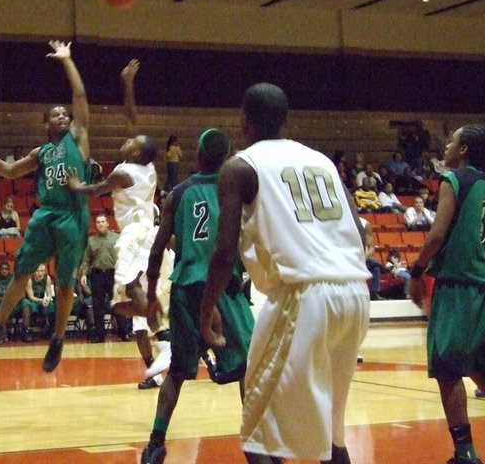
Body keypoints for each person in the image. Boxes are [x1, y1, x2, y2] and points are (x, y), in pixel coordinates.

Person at [199, 83, 370, 464]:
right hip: (355, 292)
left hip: (303, 295)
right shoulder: (321, 160)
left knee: (258, 432)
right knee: (330, 433)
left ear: (244, 120)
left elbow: (224, 251)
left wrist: (207, 308)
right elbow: (359, 231)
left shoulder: (240, 166)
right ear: (286, 120)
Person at [0, 40, 90, 374]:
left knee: (65, 283)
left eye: (65, 114)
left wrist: (67, 61)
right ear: (46, 122)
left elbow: (79, 98)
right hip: (46, 213)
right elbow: (8, 172)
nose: (63, 116)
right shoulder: (41, 153)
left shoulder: (78, 139)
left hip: (72, 215)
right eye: (56, 115)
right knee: (22, 270)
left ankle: (58, 338)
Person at [142, 128, 254, 464]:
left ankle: (155, 443)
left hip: (186, 289)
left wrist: (150, 296)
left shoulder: (177, 193)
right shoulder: (235, 188)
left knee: (177, 371)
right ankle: (256, 440)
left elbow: (157, 250)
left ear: (199, 156)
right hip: (223, 287)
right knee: (251, 367)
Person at [66, 58, 172, 382]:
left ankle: (167, 342)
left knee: (127, 286)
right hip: (149, 234)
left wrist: (75, 186)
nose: (126, 140)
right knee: (125, 306)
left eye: (131, 144)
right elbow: (131, 118)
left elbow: (97, 188)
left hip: (137, 232)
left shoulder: (125, 173)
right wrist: (127, 84)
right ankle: (161, 347)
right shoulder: (147, 167)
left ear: (137, 154)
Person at [409, 125, 485, 464]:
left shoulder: (455, 180)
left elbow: (438, 233)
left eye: (452, 141)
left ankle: (465, 451)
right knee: (481, 368)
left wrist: (416, 270)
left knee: (448, 368)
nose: (447, 146)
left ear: (464, 149)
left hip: (459, 285)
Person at [80, 213, 120, 343]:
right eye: (98, 222)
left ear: (108, 223)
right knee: (98, 306)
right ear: (95, 225)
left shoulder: (116, 238)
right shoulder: (91, 241)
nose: (100, 224)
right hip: (97, 275)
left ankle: (124, 332)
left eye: (103, 222)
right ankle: (100, 335)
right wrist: (84, 274)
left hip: (113, 274)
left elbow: (123, 256)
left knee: (118, 303)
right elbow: (86, 260)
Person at [20, 263, 55, 340]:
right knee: (28, 304)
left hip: (41, 299)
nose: (40, 273)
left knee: (51, 305)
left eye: (42, 271)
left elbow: (49, 294)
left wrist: (47, 299)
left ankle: (52, 330)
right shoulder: (29, 279)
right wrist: (41, 300)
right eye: (38, 271)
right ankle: (26, 331)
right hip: (31, 300)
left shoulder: (47, 278)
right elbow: (31, 297)